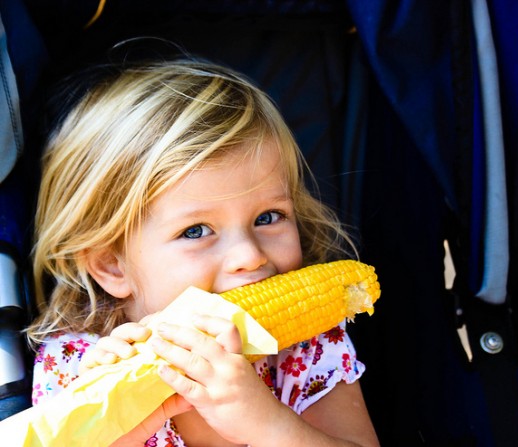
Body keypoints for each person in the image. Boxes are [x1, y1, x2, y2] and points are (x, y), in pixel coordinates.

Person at [26, 57, 380, 446]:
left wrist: (267, 424)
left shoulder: (307, 347)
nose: (250, 255)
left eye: (269, 217)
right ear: (112, 265)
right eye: (196, 230)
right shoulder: (77, 367)